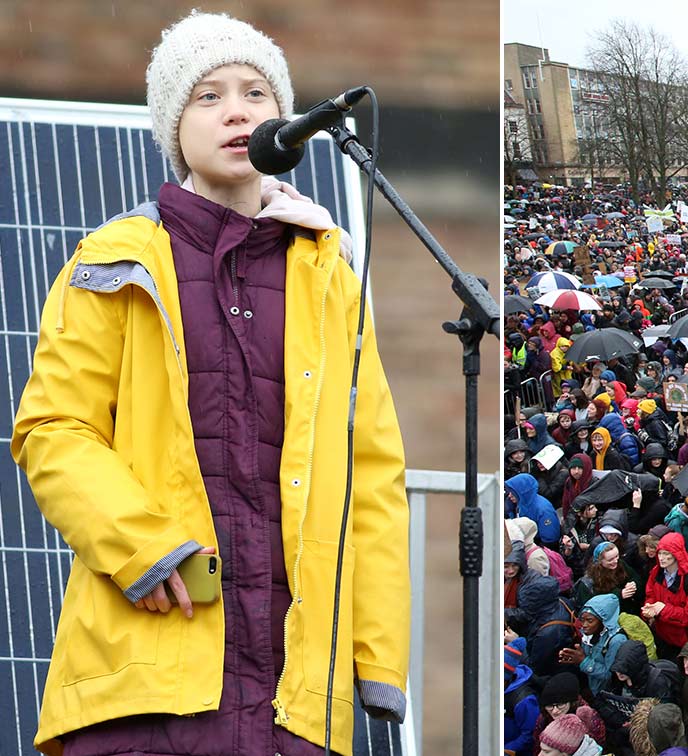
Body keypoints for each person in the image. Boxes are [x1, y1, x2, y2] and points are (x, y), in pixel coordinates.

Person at [12, 12, 412, 754]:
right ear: (174, 126)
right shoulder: (115, 262)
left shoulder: (330, 276)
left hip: (294, 693)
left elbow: (374, 474)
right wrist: (142, 548)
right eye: (209, 96)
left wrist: (376, 654)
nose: (238, 110)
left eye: (257, 93)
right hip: (146, 673)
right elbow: (52, 430)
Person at [644, 532, 688, 662]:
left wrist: (663, 609)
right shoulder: (656, 572)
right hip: (663, 636)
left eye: (666, 554)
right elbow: (650, 594)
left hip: (685, 642)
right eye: (660, 553)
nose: (661, 558)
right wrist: (649, 607)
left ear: (676, 554)